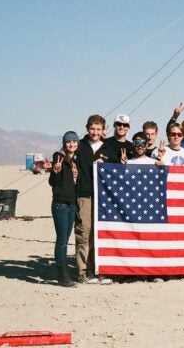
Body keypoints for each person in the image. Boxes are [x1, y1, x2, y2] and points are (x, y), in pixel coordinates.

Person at [75, 114, 116, 285]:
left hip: (103, 197)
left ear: (103, 130)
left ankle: (97, 269)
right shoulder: (79, 146)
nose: (95, 132)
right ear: (87, 129)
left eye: (98, 129)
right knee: (84, 231)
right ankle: (82, 271)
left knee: (100, 233)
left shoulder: (108, 149)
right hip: (84, 194)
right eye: (92, 129)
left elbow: (117, 170)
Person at [47, 131, 81, 287]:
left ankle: (64, 273)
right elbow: (53, 182)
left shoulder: (77, 159)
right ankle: (62, 275)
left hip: (72, 205)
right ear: (64, 143)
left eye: (74, 141)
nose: (71, 144)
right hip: (60, 204)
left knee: (66, 241)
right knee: (61, 241)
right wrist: (55, 171)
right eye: (68, 142)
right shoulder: (58, 157)